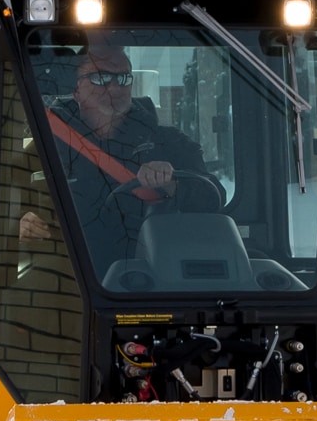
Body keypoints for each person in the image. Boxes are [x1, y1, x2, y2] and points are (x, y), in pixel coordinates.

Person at [21, 39, 212, 266]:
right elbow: (7, 201)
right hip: (71, 273)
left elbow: (212, 198)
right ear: (75, 90)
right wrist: (22, 224)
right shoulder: (47, 146)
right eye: (100, 78)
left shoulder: (168, 142)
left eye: (123, 79)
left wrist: (172, 183)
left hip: (154, 270)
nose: (114, 87)